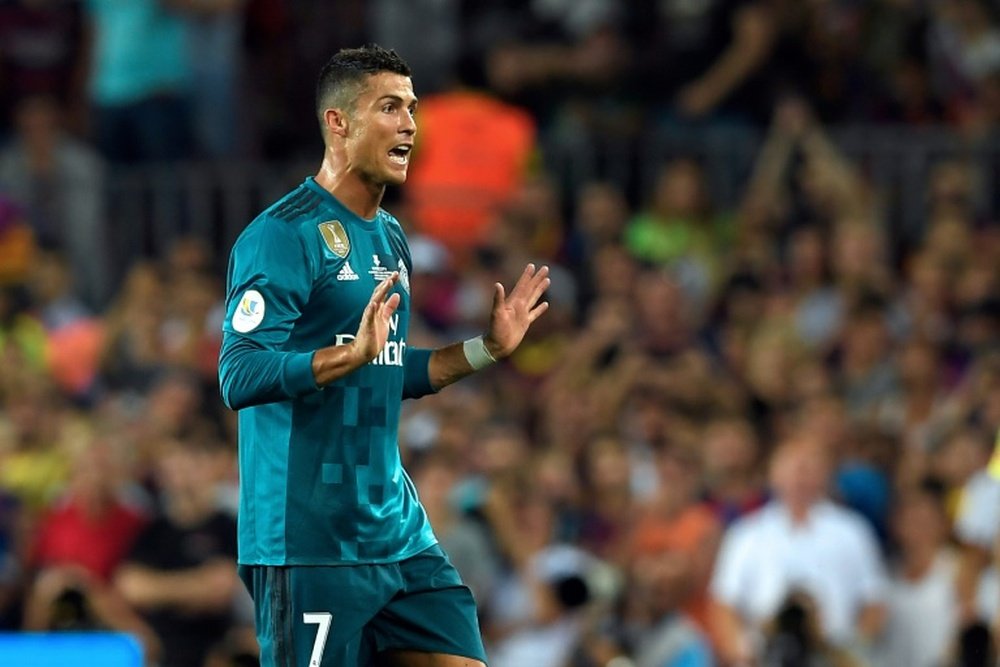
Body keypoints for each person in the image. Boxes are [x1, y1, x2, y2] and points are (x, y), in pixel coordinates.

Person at [217, 44, 550, 667]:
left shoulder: (393, 238)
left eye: (413, 109)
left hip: (397, 537)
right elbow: (239, 374)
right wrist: (347, 356)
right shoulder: (280, 236)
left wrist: (487, 349)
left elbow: (393, 370)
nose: (410, 125)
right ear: (337, 123)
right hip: (307, 542)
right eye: (390, 108)